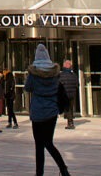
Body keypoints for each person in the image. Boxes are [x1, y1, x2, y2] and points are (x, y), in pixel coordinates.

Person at [24, 44, 71, 176]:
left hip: (38, 112)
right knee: (48, 142)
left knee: (39, 145)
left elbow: (27, 88)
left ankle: (39, 173)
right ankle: (63, 168)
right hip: (51, 112)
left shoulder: (34, 74)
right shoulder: (55, 75)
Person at [60, 60, 79, 129]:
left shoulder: (61, 75)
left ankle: (70, 122)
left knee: (67, 109)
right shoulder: (74, 75)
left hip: (65, 94)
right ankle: (69, 119)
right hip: (72, 94)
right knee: (70, 107)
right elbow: (77, 84)